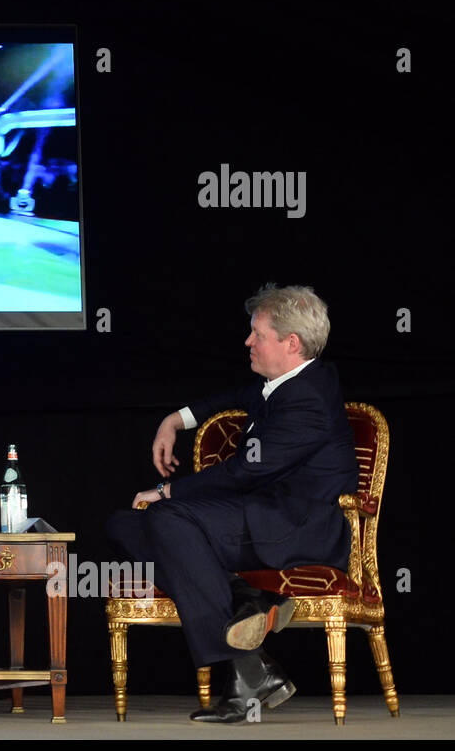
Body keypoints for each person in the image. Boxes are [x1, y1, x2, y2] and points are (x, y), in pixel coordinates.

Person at [105, 285, 358, 723]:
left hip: (293, 527)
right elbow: (231, 397)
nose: (247, 342)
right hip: (258, 519)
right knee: (122, 524)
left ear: (290, 343)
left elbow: (247, 470)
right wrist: (174, 420)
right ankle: (250, 601)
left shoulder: (309, 398)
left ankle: (246, 671)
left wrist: (169, 491)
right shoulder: (280, 384)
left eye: (257, 334)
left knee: (167, 517)